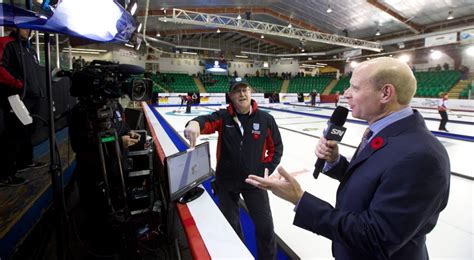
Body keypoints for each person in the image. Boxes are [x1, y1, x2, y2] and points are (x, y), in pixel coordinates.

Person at [246, 57, 450, 260]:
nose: (346, 94)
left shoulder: (421, 157)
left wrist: (299, 199)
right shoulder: (381, 132)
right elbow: (372, 182)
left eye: (355, 88)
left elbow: (375, 238)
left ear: (385, 93)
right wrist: (335, 161)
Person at [184, 77, 283, 259]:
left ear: (251, 92)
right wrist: (194, 123)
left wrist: (266, 169)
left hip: (255, 182)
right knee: (231, 227)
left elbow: (276, 148)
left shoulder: (265, 119)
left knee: (265, 228)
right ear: (231, 96)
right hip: (226, 182)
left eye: (245, 90)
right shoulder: (223, 117)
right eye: (237, 91)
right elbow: (206, 121)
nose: (242, 94)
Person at [0, 27, 47, 186]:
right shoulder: (6, 43)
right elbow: (1, 68)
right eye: (25, 27)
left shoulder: (29, 50)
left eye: (30, 28)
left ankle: (24, 162)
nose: (29, 30)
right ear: (14, 27)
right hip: (17, 97)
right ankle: (5, 174)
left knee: (28, 131)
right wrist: (19, 85)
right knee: (13, 133)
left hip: (33, 96)